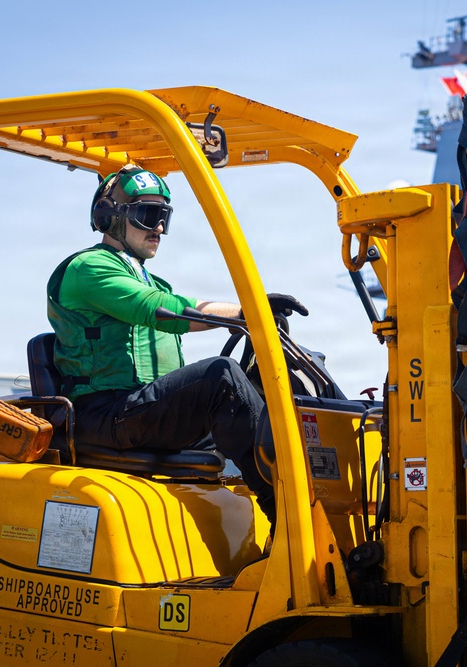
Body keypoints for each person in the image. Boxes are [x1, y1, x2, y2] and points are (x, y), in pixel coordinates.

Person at [47, 165, 307, 530]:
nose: (158, 229)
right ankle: (289, 521)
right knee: (220, 377)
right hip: (106, 414)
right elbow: (156, 309)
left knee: (270, 383)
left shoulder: (148, 277)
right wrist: (245, 312)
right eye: (148, 214)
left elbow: (181, 304)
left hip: (140, 411)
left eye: (164, 218)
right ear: (111, 216)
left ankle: (311, 497)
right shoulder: (88, 268)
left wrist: (252, 317)